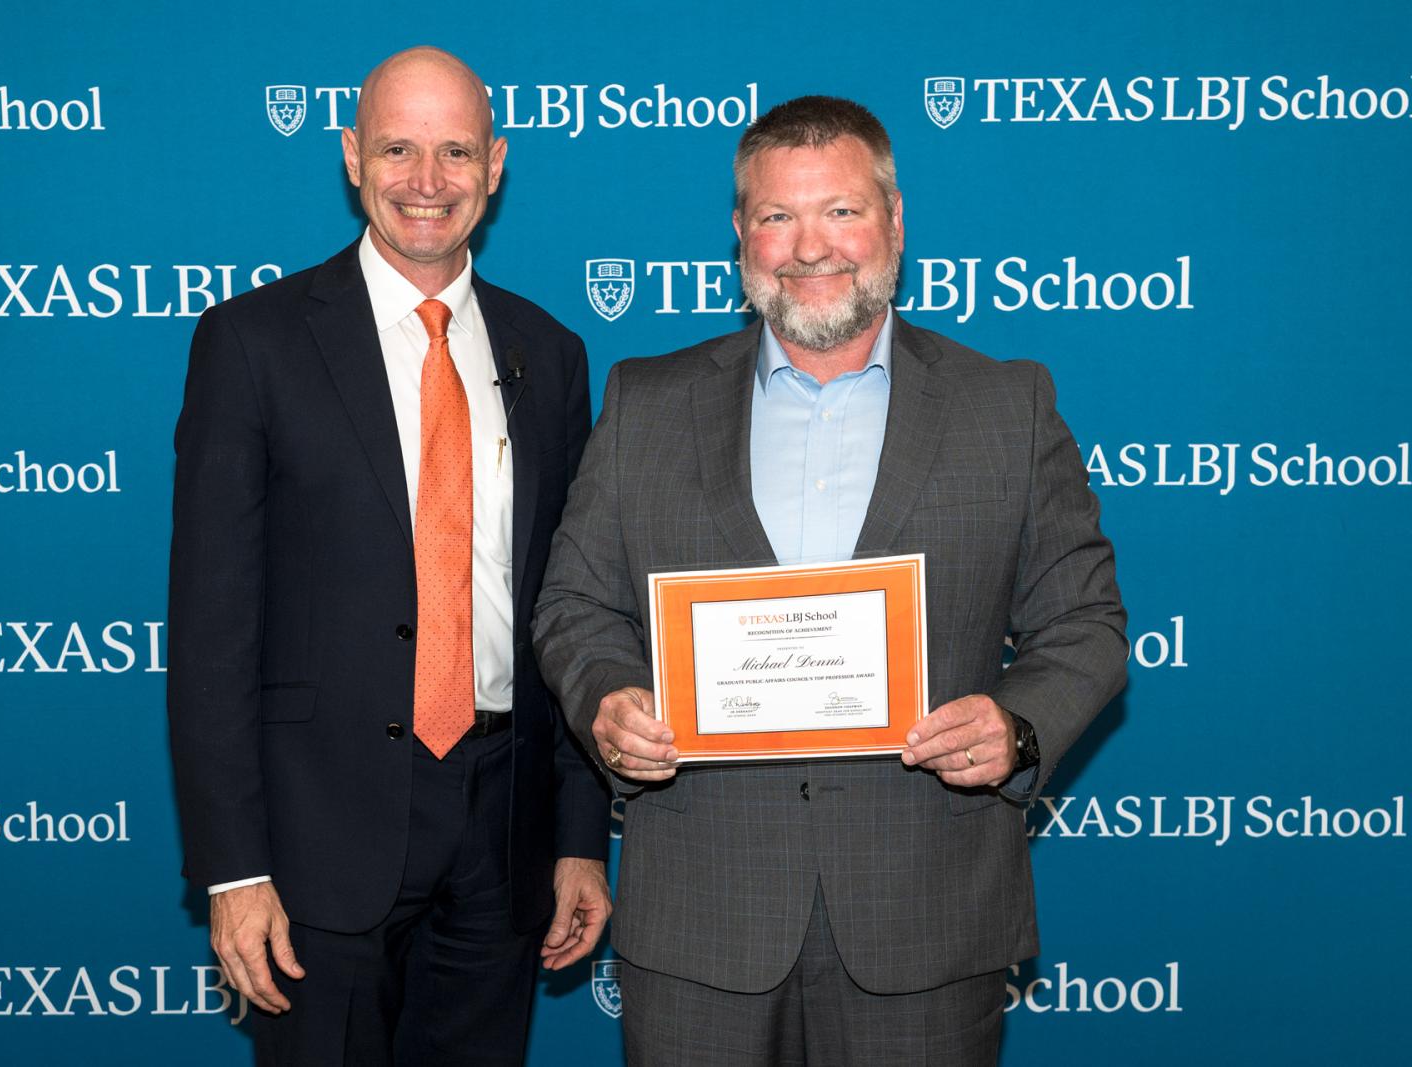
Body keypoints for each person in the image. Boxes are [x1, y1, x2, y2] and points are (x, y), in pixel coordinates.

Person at [533, 95, 1126, 1065]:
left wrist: (1017, 727)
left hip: (925, 916)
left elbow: (1086, 623)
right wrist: (607, 696)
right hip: (703, 919)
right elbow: (575, 604)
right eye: (778, 215)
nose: (810, 247)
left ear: (894, 220)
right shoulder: (647, 401)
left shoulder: (1006, 404)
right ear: (741, 232)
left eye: (841, 210)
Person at [168, 46, 611, 1067]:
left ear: (494, 164)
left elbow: (571, 610)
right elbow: (210, 627)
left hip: (505, 830)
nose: (427, 180)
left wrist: (580, 834)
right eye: (398, 149)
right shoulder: (253, 342)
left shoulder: (549, 354)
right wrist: (234, 867)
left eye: (454, 151)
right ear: (351, 157)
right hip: (316, 836)